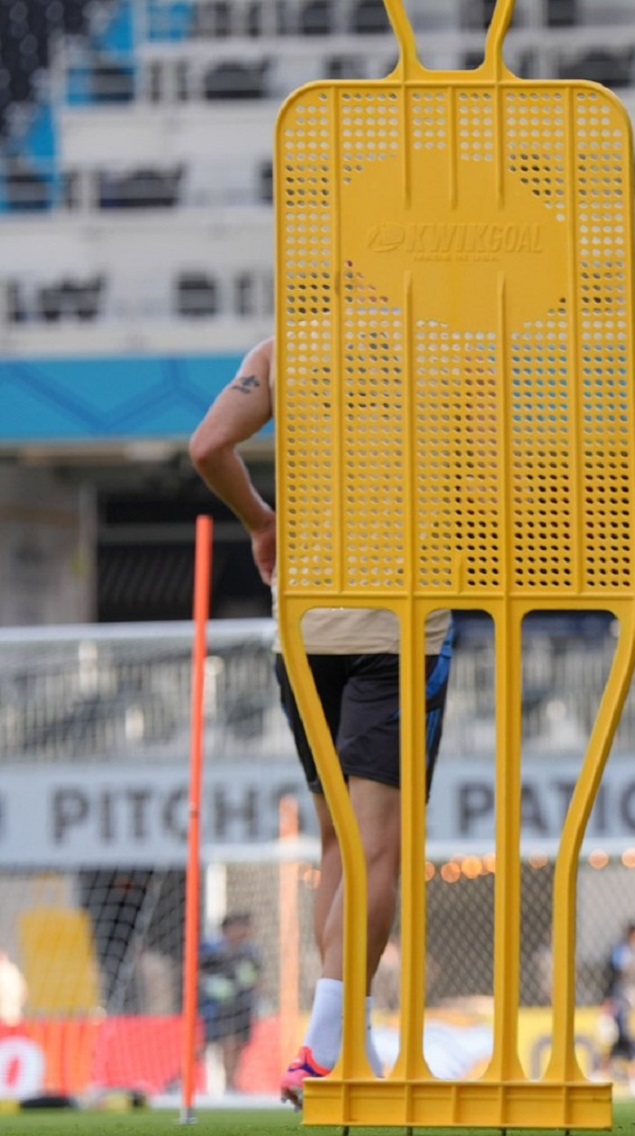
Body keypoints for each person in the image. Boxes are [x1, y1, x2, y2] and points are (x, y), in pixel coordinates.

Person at [188, 337, 454, 1108]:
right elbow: (484, 479)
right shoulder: (447, 348)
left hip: (305, 628)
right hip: (399, 627)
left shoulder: (282, 349)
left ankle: (352, 1041)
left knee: (338, 842)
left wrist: (262, 521)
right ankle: (326, 1046)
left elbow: (209, 446)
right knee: (378, 848)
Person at [198, 912, 263, 1089]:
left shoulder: (250, 952)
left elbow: (257, 978)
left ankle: (231, 1083)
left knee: (238, 1045)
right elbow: (197, 973)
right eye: (239, 927)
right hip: (218, 1006)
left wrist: (257, 997)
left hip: (242, 1004)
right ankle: (181, 1079)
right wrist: (211, 985)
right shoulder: (213, 951)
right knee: (213, 1043)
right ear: (227, 930)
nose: (244, 931)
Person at [598, 920, 635, 1099]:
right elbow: (613, 976)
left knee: (619, 1042)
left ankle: (601, 1073)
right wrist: (608, 1000)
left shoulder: (631, 952)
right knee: (628, 1040)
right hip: (619, 1003)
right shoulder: (623, 951)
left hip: (625, 1003)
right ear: (634, 934)